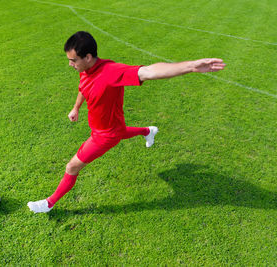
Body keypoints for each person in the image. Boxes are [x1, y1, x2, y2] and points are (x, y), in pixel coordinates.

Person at [27, 31, 225, 213]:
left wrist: (191, 66)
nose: (70, 64)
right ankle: (148, 131)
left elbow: (148, 71)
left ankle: (48, 203)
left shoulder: (112, 71)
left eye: (73, 60)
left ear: (87, 57)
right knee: (121, 131)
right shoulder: (85, 69)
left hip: (104, 135)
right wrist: (76, 107)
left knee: (71, 167)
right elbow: (83, 87)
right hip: (114, 125)